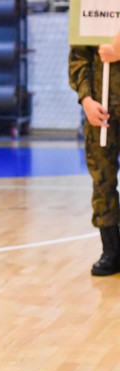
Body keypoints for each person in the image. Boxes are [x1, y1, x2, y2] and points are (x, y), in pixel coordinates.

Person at [69, 42, 120, 276]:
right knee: (102, 182)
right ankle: (111, 250)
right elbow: (79, 57)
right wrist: (86, 100)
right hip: (101, 112)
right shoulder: (90, 7)